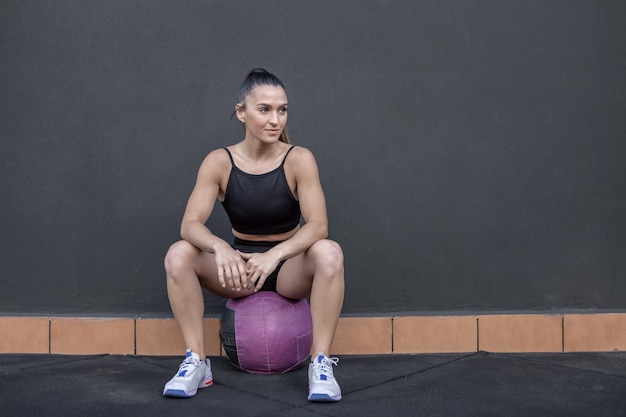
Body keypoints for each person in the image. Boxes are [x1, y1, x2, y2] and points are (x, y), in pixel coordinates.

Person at [162, 68, 345, 402]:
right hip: (241, 270)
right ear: (241, 112)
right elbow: (190, 224)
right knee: (178, 253)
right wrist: (220, 248)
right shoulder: (219, 161)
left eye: (282, 109)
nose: (275, 119)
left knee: (329, 251)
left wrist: (276, 255)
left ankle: (320, 365)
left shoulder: (299, 159)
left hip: (289, 269)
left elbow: (318, 226)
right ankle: (196, 362)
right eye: (264, 109)